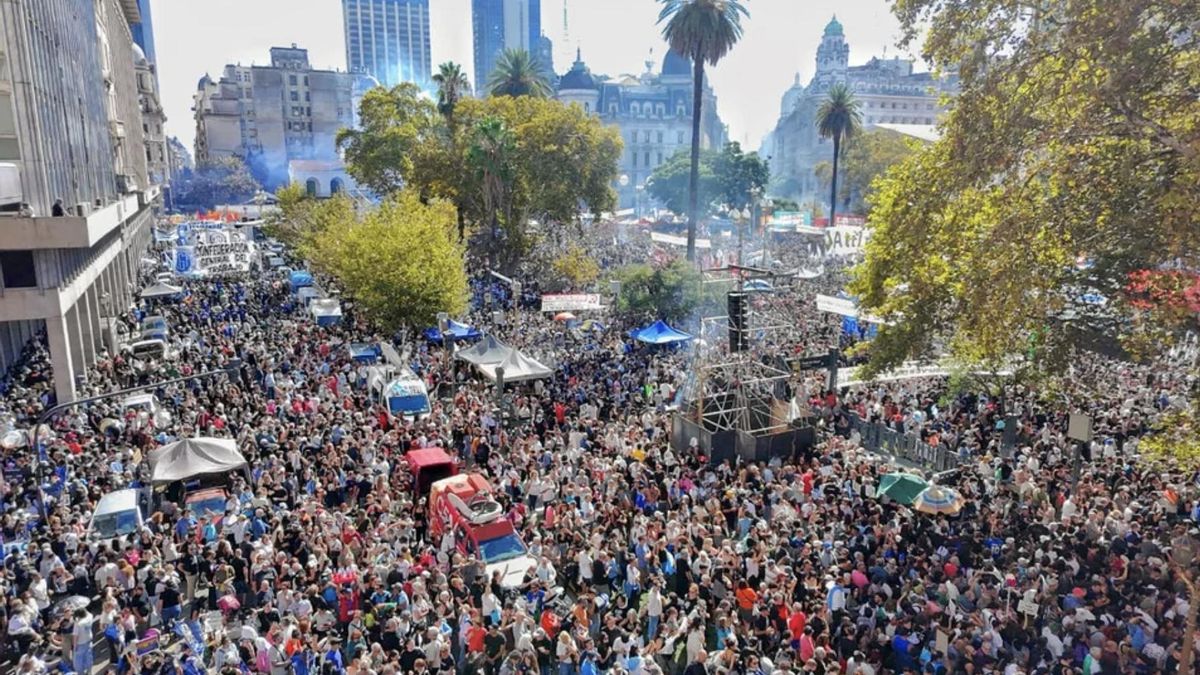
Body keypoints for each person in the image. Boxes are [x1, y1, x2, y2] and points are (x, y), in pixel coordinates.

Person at [72, 608, 94, 675]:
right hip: (89, 641)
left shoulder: (78, 624)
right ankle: (89, 672)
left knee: (78, 663)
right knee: (88, 659)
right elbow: (87, 612)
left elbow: (75, 636)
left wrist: (74, 647)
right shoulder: (90, 616)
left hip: (80, 644)